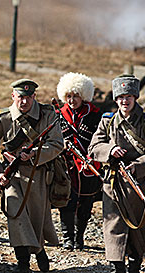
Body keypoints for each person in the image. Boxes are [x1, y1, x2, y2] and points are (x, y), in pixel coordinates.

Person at [88, 74, 145, 273]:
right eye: (121, 97)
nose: (125, 101)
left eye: (129, 96)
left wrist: (138, 166)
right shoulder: (107, 121)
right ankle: (117, 266)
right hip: (113, 183)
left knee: (138, 227)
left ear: (135, 98)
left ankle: (134, 263)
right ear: (116, 99)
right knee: (113, 224)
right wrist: (110, 150)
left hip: (140, 183)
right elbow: (94, 147)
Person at [0, 79, 63, 273]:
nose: (24, 102)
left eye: (29, 97)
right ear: (13, 96)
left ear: (34, 97)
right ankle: (23, 263)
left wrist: (35, 154)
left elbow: (57, 144)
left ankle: (39, 252)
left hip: (39, 174)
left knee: (37, 219)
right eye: (20, 97)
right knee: (16, 214)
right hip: (12, 177)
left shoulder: (47, 115)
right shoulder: (3, 117)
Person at [55, 72, 103, 251]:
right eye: (69, 96)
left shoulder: (95, 115)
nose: (72, 100)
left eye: (76, 96)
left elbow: (101, 140)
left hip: (88, 165)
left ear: (83, 96)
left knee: (86, 203)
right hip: (66, 166)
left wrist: (91, 156)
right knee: (66, 200)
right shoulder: (58, 115)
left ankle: (79, 237)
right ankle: (68, 238)